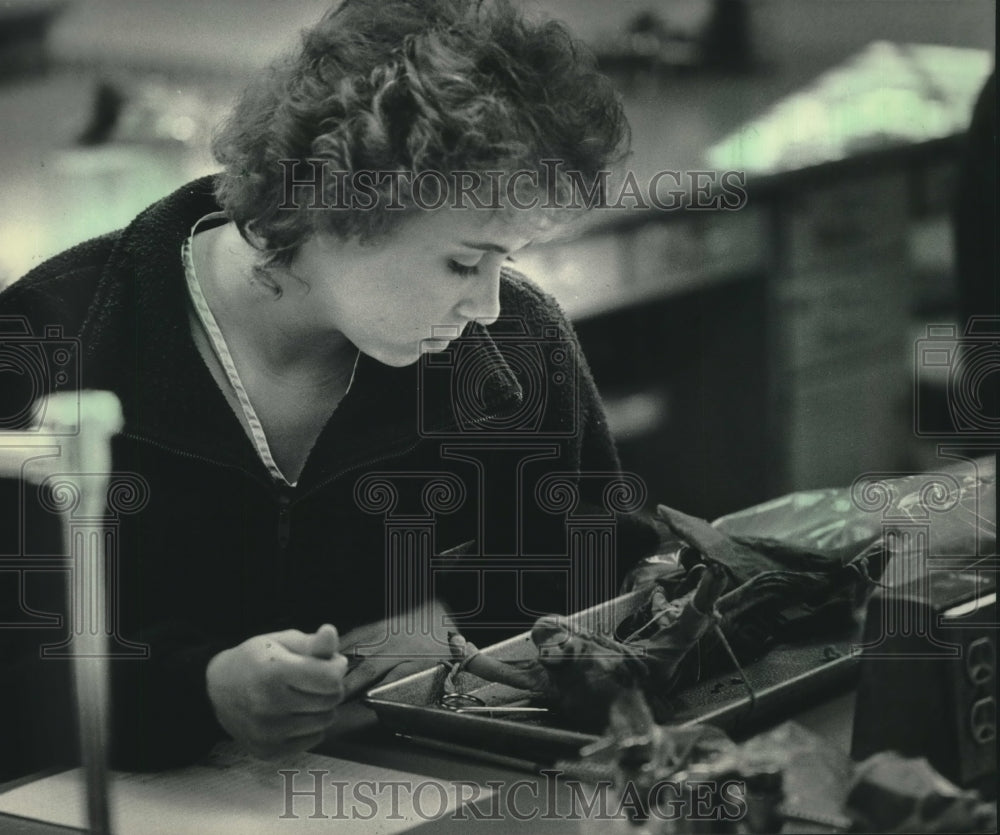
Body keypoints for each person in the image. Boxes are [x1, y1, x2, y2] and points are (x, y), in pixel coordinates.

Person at [0, 0, 663, 777]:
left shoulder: (511, 347)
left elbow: (608, 586)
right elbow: (17, 665)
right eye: (461, 262)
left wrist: (454, 622)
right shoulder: (53, 342)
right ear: (338, 203)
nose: (486, 302)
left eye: (504, 260)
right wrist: (203, 688)